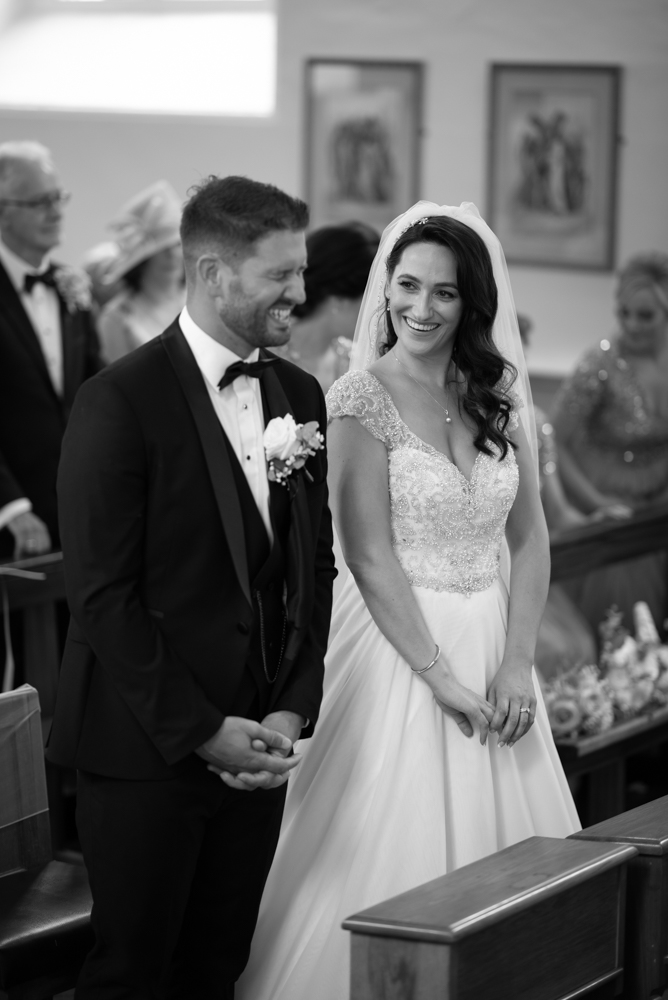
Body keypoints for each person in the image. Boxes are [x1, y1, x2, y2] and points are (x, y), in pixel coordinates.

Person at [237, 203, 580, 1000]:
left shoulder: (496, 389)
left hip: (496, 640)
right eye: (407, 287)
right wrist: (441, 676)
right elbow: (366, 553)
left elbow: (529, 540)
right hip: (398, 646)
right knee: (383, 850)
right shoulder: (360, 397)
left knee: (515, 859)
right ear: (384, 289)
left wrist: (514, 664)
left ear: (473, 303)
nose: (421, 309)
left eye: (445, 293)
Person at [45, 175, 336, 998]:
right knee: (132, 975)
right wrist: (204, 730)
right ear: (213, 274)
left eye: (301, 271)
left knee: (218, 968)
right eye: (280, 274)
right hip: (145, 752)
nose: (300, 293)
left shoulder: (297, 393)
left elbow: (314, 570)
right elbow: (102, 598)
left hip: (260, 750)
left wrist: (289, 708)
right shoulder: (118, 401)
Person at [553, 252, 668, 639]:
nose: (632, 326)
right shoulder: (598, 364)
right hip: (613, 509)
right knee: (624, 624)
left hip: (661, 505)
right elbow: (556, 442)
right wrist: (598, 504)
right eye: (624, 314)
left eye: (645, 316)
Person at [0, 141, 102, 562]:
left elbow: (97, 387)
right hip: (14, 519)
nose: (56, 211)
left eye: (57, 197)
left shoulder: (71, 284)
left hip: (78, 508)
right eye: (39, 201)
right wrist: (11, 507)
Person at [517, 314, 597, 680]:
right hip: (479, 573)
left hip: (525, 570)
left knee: (576, 647)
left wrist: (599, 518)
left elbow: (559, 512)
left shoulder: (535, 423)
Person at [278, 222, 379, 392]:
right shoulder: (268, 355)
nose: (377, 310)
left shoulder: (356, 364)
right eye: (371, 298)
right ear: (339, 299)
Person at [97, 180, 186, 363]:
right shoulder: (117, 318)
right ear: (143, 260)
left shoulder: (204, 300)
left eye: (177, 244)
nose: (172, 254)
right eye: (162, 247)